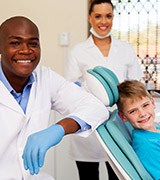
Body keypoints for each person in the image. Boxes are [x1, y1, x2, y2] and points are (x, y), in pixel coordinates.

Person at [0, 16, 110, 180]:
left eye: (33, 43)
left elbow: (96, 107)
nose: (26, 50)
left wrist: (59, 128)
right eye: (15, 43)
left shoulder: (46, 78)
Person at [64, 0, 143, 179]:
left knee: (118, 174)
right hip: (88, 126)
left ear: (113, 18)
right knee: (88, 175)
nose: (103, 22)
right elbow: (70, 90)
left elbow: (136, 86)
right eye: (98, 16)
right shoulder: (79, 51)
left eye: (108, 16)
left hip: (119, 124)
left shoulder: (125, 49)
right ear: (89, 18)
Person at [117, 80, 160, 180]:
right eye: (133, 111)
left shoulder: (155, 129)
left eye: (145, 105)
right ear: (123, 117)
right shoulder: (147, 145)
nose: (142, 114)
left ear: (152, 103)